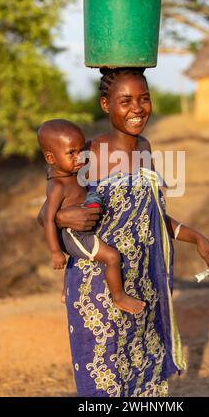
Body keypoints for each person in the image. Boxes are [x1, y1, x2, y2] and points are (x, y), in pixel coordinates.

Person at [38, 68, 209, 397]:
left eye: (144, 99)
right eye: (125, 101)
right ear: (105, 105)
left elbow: (152, 217)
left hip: (141, 283)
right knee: (105, 378)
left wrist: (197, 238)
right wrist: (66, 217)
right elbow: (47, 213)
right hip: (98, 285)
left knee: (143, 371)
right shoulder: (88, 153)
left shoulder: (145, 149)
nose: (137, 109)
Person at [37, 119, 146, 314]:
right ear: (51, 158)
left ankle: (65, 291)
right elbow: (46, 218)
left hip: (78, 230)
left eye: (81, 151)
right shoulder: (58, 185)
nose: (79, 158)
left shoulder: (72, 174)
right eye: (72, 153)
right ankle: (119, 297)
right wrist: (55, 251)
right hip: (73, 234)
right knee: (112, 257)